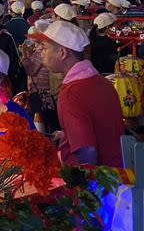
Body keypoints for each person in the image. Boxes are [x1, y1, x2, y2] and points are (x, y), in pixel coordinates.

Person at [31, 20, 125, 167]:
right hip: (117, 173)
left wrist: (80, 186)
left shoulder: (72, 93)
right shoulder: (102, 82)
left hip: (100, 183)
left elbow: (86, 154)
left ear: (62, 53)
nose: (40, 52)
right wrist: (66, 136)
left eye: (44, 48)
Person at [20, 22, 58, 133]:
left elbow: (31, 70)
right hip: (43, 90)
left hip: (42, 91)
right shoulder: (41, 49)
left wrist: (25, 57)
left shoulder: (42, 51)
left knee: (42, 123)